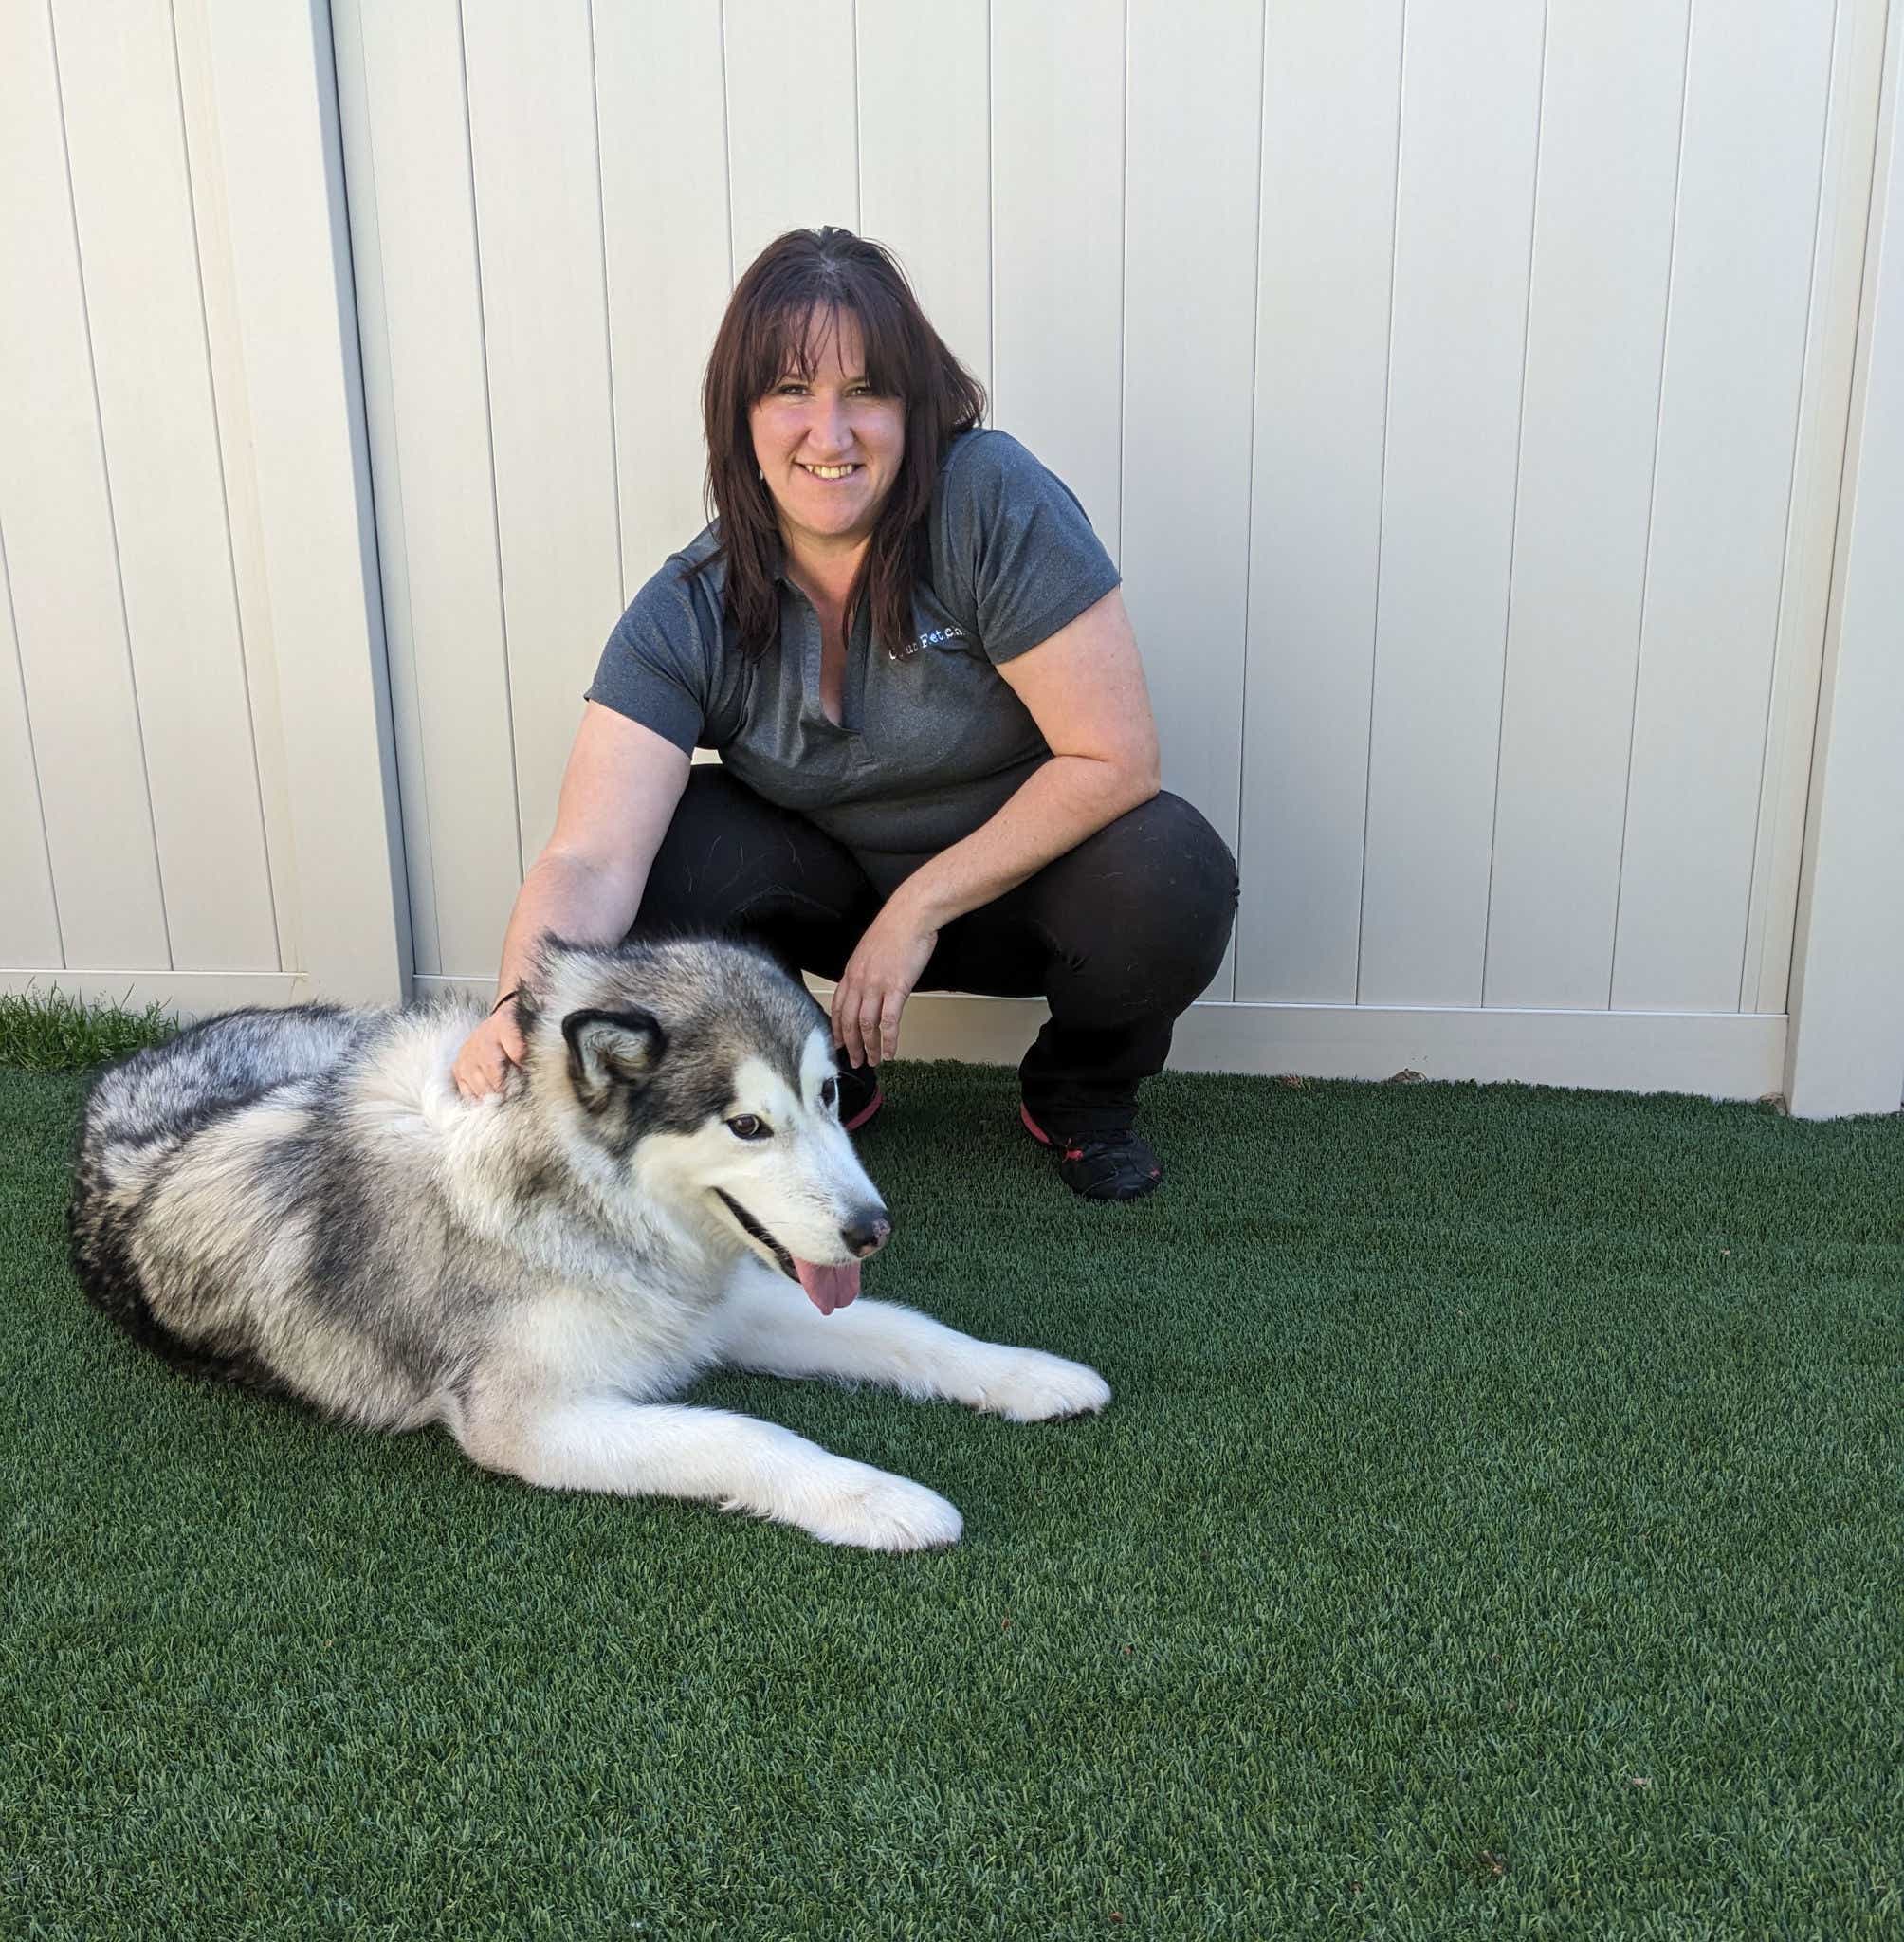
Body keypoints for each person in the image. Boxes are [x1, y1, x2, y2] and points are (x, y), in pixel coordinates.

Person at [452, 227, 1236, 1200]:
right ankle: (809, 1069)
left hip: (1019, 891)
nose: (830, 434)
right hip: (829, 898)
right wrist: (520, 1011)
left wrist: (917, 907)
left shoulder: (990, 500)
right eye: (791, 391)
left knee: (1172, 874)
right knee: (674, 847)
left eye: (864, 390)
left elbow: (1114, 756)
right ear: (741, 416)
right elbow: (589, 856)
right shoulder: (689, 603)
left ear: (914, 406)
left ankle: (1079, 1089)